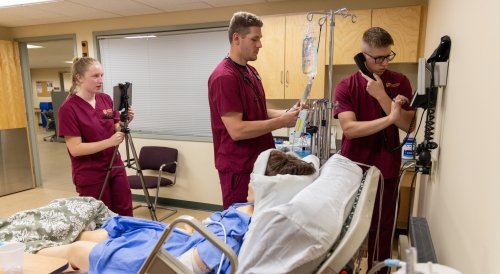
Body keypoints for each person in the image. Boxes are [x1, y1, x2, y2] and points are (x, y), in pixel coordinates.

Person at [35, 149, 317, 274]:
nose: (250, 181)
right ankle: (39, 245)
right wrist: (189, 229)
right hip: (178, 237)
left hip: (167, 256)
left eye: (256, 179)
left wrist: (189, 231)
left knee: (78, 251)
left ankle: (22, 257)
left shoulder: (234, 234)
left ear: (270, 188)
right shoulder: (249, 209)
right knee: (93, 233)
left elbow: (184, 267)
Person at [333, 27, 416, 273]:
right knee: (346, 231)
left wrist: (383, 98)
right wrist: (391, 117)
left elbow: (409, 125)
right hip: (353, 171)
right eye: (376, 58)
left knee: (381, 233)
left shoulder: (400, 81)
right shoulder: (346, 86)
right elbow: (350, 129)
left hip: (386, 171)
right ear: (362, 56)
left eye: (387, 56)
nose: (383, 63)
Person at [208, 11, 301, 209]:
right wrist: (282, 122)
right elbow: (237, 130)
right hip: (239, 169)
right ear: (236, 38)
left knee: (259, 222)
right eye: (254, 39)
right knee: (241, 224)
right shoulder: (224, 77)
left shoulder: (251, 72)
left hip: (259, 163)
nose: (260, 44)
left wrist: (287, 113)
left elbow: (257, 111)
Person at [58, 57, 134, 216]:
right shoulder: (68, 109)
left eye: (102, 75)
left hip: (114, 164)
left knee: (124, 210)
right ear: (79, 77)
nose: (100, 80)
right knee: (100, 217)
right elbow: (76, 149)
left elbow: (116, 129)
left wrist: (126, 121)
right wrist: (109, 142)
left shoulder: (105, 99)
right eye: (95, 76)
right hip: (90, 172)